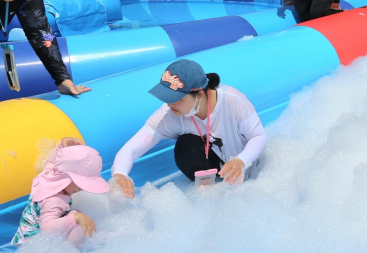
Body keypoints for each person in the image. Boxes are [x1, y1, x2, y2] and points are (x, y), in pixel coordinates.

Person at [111, 59, 266, 195]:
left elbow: (258, 136)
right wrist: (119, 174)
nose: (170, 104)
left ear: (199, 95)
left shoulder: (231, 100)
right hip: (218, 179)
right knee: (186, 147)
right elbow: (130, 149)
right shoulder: (168, 114)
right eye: (166, 97)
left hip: (251, 170)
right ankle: (211, 192)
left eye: (176, 98)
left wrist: (241, 160)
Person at [12, 138, 109, 247]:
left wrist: (61, 145)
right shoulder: (54, 200)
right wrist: (75, 218)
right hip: (33, 245)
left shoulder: (50, 174)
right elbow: (47, 228)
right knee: (78, 223)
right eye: (80, 183)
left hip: (23, 237)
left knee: (77, 214)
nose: (82, 189)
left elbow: (52, 160)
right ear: (66, 177)